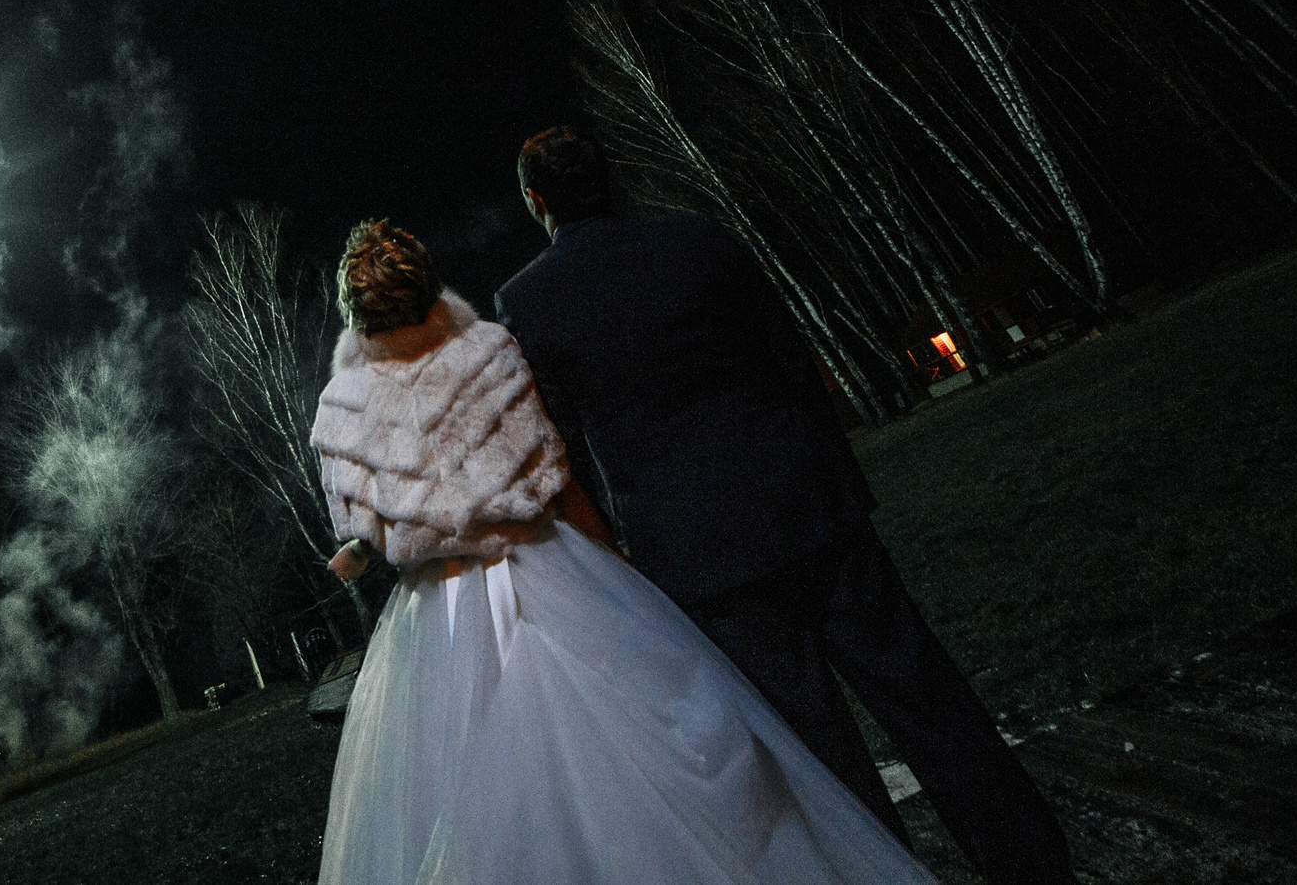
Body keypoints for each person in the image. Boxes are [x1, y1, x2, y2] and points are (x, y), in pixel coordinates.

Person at [495, 127, 1077, 885]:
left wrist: (622, 549)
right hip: (810, 505)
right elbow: (793, 363)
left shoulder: (529, 302)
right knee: (929, 702)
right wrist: (835, 481)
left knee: (818, 756)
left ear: (536, 200)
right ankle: (1033, 863)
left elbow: (563, 443)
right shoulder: (702, 241)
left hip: (701, 552)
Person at [313, 218, 935, 885]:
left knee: (445, 798)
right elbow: (554, 475)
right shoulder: (490, 354)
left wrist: (380, 543)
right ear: (432, 291)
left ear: (357, 314)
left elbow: (364, 526)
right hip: (545, 567)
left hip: (438, 610)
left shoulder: (343, 406)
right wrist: (614, 561)